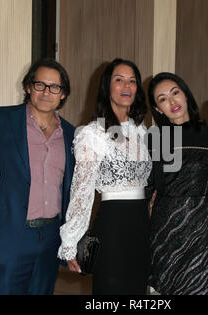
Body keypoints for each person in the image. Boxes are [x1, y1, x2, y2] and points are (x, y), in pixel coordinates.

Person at [58, 58, 152, 295]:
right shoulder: (92, 134)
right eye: (118, 80)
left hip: (142, 226)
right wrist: (71, 243)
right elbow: (82, 191)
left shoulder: (142, 130)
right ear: (106, 87)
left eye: (132, 81)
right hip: (112, 226)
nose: (126, 86)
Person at [0, 58, 76, 295]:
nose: (47, 92)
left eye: (55, 87)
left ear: (63, 94)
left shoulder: (72, 134)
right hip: (8, 239)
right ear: (27, 87)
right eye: (39, 85)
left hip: (50, 240)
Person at [146, 72, 208, 295]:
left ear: (185, 95)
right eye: (162, 99)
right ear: (158, 109)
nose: (172, 102)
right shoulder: (155, 139)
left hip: (202, 229)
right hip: (164, 231)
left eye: (175, 93)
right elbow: (146, 188)